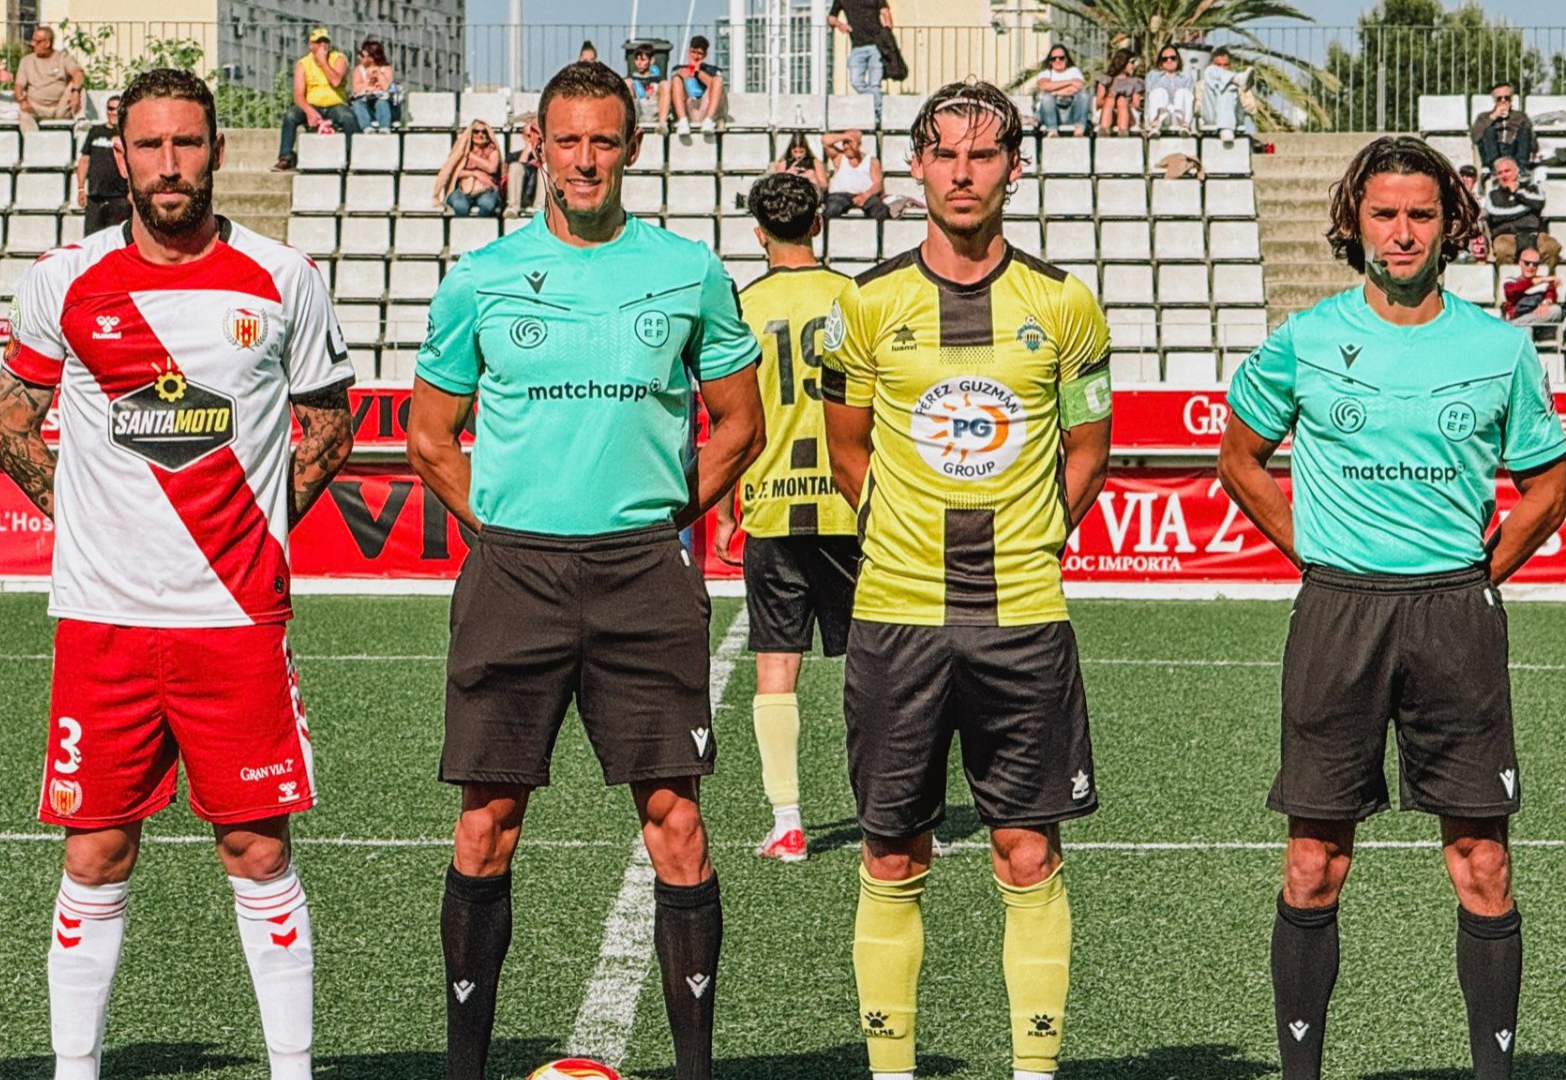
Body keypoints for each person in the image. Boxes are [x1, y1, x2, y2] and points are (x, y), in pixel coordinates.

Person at [0, 68, 358, 1080]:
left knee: (258, 851)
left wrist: (260, 521)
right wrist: (88, 520)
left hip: (235, 619)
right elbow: (11, 425)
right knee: (95, 853)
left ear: (217, 151)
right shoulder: (64, 280)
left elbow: (329, 414)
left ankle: (293, 1068)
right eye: (149, 146)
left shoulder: (283, 277)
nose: (168, 166)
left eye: (187, 144)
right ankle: (77, 1071)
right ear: (119, 148)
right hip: (102, 621)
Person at [406, 58, 764, 1080]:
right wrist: (505, 523)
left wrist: (659, 517)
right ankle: (462, 1068)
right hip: (512, 574)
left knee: (677, 823)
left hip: (643, 576)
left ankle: (695, 1068)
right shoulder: (479, 276)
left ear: (633, 150)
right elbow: (432, 440)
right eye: (567, 140)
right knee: (486, 823)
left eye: (604, 141)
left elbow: (741, 423)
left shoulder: (689, 270)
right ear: (539, 147)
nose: (585, 160)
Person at [1217, 134, 1566, 1080]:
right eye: (1384, 214)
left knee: (1483, 865)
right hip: (1340, 614)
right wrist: (1310, 553)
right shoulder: (1307, 337)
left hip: (1455, 614)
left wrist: (1485, 569)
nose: (1402, 232)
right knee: (1313, 861)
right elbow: (1240, 457)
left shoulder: (1497, 348)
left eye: (1420, 214)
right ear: (1354, 222)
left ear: (1451, 224)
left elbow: (1546, 481)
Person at [822, 80, 1113, 1080]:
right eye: (944, 152)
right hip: (896, 618)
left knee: (1026, 855)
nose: (962, 171)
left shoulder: (1066, 304)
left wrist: (1037, 534)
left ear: (1014, 170)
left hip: (1023, 620)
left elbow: (1089, 445)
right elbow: (848, 449)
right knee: (891, 856)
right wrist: (902, 536)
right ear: (914, 167)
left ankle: (1035, 1073)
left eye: (982, 154)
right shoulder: (863, 307)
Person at [712, 171, 858, 863]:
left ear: (758, 233)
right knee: (878, 667)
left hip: (772, 503)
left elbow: (728, 416)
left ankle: (789, 821)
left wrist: (722, 505)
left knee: (777, 666)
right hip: (853, 503)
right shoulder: (853, 299)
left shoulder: (741, 306)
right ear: (819, 225)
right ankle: (891, 812)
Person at [273, 27, 359, 171]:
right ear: (311, 45)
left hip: (335, 104)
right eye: (318, 43)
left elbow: (336, 81)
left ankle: (352, 156)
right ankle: (285, 156)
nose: (322, 46)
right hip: (312, 104)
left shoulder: (338, 59)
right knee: (290, 116)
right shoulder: (303, 64)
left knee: (347, 117)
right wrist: (309, 111)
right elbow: (299, 94)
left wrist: (323, 63)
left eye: (325, 42)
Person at [1484, 156, 1558, 266]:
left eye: (1507, 171)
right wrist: (1527, 208)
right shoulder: (1493, 195)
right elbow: (1496, 214)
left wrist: (1518, 193)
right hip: (1506, 235)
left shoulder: (1532, 188)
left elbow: (1539, 202)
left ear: (1516, 170)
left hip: (1534, 233)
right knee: (1502, 249)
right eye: (1500, 173)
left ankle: (1545, 281)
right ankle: (1509, 280)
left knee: (1551, 246)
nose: (1504, 175)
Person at [829, 0, 892, 122]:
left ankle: (877, 117)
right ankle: (881, 99)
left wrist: (887, 34)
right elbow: (831, 17)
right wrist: (840, 25)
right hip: (857, 47)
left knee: (875, 84)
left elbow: (886, 13)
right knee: (856, 82)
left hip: (877, 45)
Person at [75, 96, 129, 236]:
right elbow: (84, 160)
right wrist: (81, 188)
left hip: (119, 197)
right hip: (95, 197)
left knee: (116, 241)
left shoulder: (127, 134)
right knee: (92, 240)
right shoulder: (95, 132)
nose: (114, 113)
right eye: (110, 108)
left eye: (117, 109)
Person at [15, 25, 84, 133]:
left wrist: (75, 92)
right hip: (36, 107)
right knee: (24, 114)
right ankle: (34, 143)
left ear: (47, 43)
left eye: (37, 42)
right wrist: (22, 100)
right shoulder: (26, 61)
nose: (33, 44)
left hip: (59, 108)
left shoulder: (62, 57)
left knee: (78, 86)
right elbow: (19, 85)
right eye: (32, 40)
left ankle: (81, 121)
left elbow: (78, 73)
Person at [434, 120, 503, 217]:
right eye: (476, 131)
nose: (480, 135)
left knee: (487, 205)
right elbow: (455, 172)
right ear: (471, 133)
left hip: (486, 190)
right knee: (460, 206)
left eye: (484, 132)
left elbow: (492, 168)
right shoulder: (462, 150)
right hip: (463, 190)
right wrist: (475, 173)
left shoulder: (492, 150)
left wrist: (472, 156)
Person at [1472, 83, 1536, 179]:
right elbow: (1475, 137)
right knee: (1489, 131)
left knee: (1524, 131)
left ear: (1511, 99)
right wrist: (1493, 117)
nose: (1503, 101)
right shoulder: (1484, 117)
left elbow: (1533, 142)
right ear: (1494, 100)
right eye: (1499, 98)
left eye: (1507, 98)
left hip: (1514, 150)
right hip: (1493, 150)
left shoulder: (1521, 117)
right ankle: (1494, 168)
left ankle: (1521, 167)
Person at [823, 129, 887, 220]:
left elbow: (878, 184)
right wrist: (846, 136)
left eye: (850, 143)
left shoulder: (872, 161)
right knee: (832, 208)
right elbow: (825, 141)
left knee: (880, 209)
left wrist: (865, 196)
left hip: (866, 195)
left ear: (859, 145)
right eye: (844, 143)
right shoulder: (839, 157)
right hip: (840, 195)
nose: (846, 146)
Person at [670, 35, 725, 137]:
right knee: (676, 80)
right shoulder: (678, 69)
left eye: (699, 53)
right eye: (693, 52)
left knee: (718, 80)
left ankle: (709, 120)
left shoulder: (712, 70)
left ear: (705, 55)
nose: (695, 57)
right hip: (688, 107)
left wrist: (698, 72)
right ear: (688, 51)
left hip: (705, 107)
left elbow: (716, 86)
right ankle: (682, 121)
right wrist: (681, 74)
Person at [1199, 46, 1254, 142]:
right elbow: (1197, 108)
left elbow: (1252, 108)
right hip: (1212, 115)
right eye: (1218, 65)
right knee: (1210, 71)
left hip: (1234, 117)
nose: (1222, 69)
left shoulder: (1241, 85)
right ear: (1212, 63)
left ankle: (1226, 128)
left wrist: (1234, 99)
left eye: (1226, 65)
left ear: (1230, 65)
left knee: (1229, 88)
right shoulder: (1203, 84)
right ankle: (1226, 129)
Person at [1034, 44, 1089, 136]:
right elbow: (1044, 86)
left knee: (1083, 95)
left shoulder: (1074, 71)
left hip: (1071, 110)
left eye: (1061, 58)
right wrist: (1070, 82)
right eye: (1054, 58)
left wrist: (1054, 91)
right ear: (1050, 61)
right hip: (1049, 112)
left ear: (1066, 59)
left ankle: (1079, 130)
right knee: (1047, 98)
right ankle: (1052, 131)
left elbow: (1079, 86)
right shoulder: (1045, 73)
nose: (1057, 60)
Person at [1503, 246, 1563, 327]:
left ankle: (1510, 325)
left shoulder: (1545, 284)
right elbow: (1512, 291)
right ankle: (1514, 325)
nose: (1531, 267)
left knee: (1556, 310)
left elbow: (1551, 294)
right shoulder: (1511, 281)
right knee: (1527, 330)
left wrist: (1546, 304)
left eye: (1535, 264)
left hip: (1538, 317)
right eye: (1527, 263)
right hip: (1518, 316)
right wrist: (1541, 279)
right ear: (1520, 263)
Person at [1144, 44, 1194, 134]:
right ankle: (1155, 125)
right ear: (1160, 62)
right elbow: (1148, 99)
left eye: (1172, 58)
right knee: (1159, 91)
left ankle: (1185, 125)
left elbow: (1190, 100)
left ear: (1178, 59)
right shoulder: (1153, 76)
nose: (1169, 60)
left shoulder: (1186, 76)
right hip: (1162, 116)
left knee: (1183, 92)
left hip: (1179, 116)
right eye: (1165, 59)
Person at [349, 38, 397, 132]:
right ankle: (367, 128)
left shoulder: (386, 69)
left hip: (384, 105)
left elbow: (386, 87)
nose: (359, 57)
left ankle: (384, 127)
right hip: (367, 104)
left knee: (381, 102)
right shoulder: (359, 70)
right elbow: (356, 89)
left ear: (371, 58)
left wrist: (378, 73)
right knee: (358, 104)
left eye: (362, 55)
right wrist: (367, 82)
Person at [1094, 49, 1143, 137]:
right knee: (1110, 99)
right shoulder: (1106, 80)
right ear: (1122, 62)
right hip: (1108, 112)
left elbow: (1136, 104)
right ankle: (1104, 130)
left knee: (1121, 100)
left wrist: (1123, 103)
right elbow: (1098, 103)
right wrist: (1111, 99)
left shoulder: (1135, 82)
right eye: (1132, 62)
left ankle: (1123, 131)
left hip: (1128, 114)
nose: (1134, 66)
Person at [627, 44, 673, 133]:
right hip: (638, 112)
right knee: (627, 83)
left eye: (643, 60)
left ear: (651, 60)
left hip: (654, 110)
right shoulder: (631, 79)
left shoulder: (658, 80)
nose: (639, 63)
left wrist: (655, 90)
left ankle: (662, 124)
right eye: (636, 59)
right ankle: (631, 125)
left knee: (665, 85)